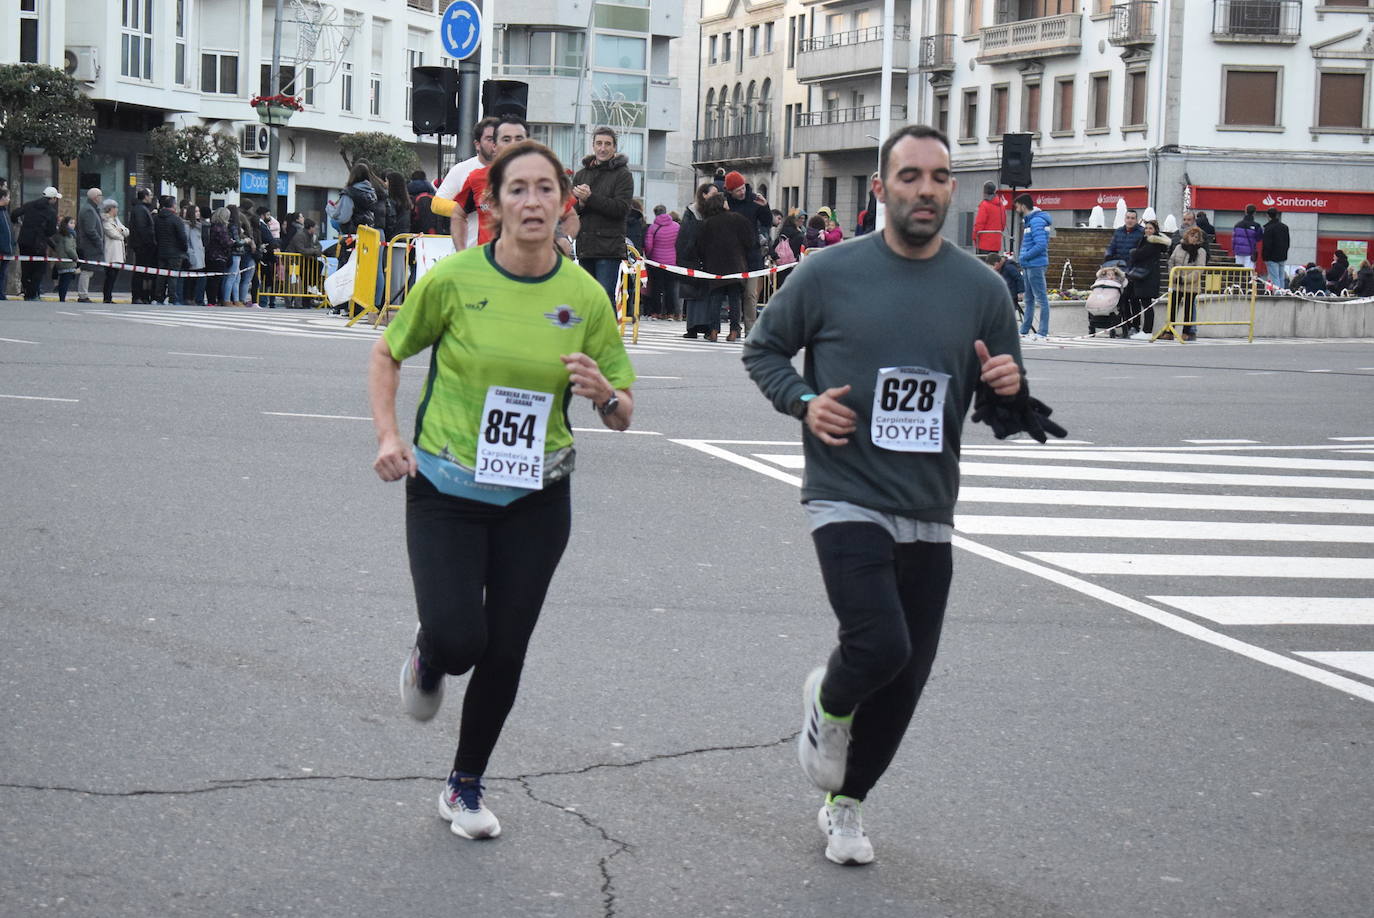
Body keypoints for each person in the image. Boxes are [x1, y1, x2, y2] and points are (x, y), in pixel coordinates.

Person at [742, 123, 1064, 867]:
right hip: (844, 491)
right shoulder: (827, 274)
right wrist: (803, 403)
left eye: (940, 177)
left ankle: (846, 806)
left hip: (930, 505)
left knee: (908, 675)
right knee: (878, 643)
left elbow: (1003, 403)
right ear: (881, 188)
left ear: (953, 190)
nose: (926, 190)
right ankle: (827, 701)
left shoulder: (983, 289)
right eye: (911, 176)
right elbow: (762, 350)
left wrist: (1009, 389)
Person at [368, 140, 636, 842]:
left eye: (546, 189)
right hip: (447, 488)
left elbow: (622, 410)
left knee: (507, 649)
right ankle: (430, 653)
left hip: (537, 498)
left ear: (565, 203)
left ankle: (464, 785)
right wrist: (389, 437)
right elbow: (387, 352)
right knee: (462, 639)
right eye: (517, 189)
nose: (533, 202)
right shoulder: (454, 280)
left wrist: (606, 395)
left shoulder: (584, 297)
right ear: (492, 205)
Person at [572, 126, 635, 305]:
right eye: (599, 143)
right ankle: (588, 333)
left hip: (609, 247)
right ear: (593, 146)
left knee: (604, 298)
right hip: (585, 245)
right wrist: (581, 203)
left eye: (607, 144)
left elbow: (621, 208)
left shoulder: (623, 175)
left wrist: (590, 198)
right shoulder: (582, 174)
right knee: (586, 299)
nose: (603, 148)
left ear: (614, 148)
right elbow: (570, 209)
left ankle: (607, 333)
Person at [451, 115, 531, 252]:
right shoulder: (476, 178)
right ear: (495, 146)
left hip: (527, 265)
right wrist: (461, 252)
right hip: (488, 264)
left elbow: (567, 215)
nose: (513, 144)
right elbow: (458, 215)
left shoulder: (545, 178)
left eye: (519, 139)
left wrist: (562, 241)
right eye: (506, 140)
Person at [690, 191, 755, 342]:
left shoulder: (707, 223)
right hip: (735, 264)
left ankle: (713, 330)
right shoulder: (738, 219)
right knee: (734, 299)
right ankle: (733, 330)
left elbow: (699, 246)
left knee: (715, 298)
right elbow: (750, 241)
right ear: (721, 204)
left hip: (714, 266)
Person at [433, 117, 499, 250]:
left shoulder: (511, 171)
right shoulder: (463, 169)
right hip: (468, 250)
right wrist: (469, 207)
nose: (494, 144)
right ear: (477, 144)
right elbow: (436, 203)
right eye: (489, 139)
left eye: (499, 138)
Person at [721, 171, 772, 337]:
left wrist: (765, 206)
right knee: (734, 292)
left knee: (750, 294)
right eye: (737, 190)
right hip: (733, 254)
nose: (742, 192)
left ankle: (750, 329)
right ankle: (735, 327)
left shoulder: (754, 199)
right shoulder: (726, 203)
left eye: (742, 188)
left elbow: (767, 222)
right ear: (730, 192)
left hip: (752, 254)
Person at [676, 182, 719, 339]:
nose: (716, 197)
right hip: (692, 256)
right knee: (693, 293)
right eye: (713, 194)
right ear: (704, 195)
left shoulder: (716, 213)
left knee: (708, 294)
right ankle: (693, 326)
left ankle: (708, 326)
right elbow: (685, 235)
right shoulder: (692, 211)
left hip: (709, 258)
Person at [1120, 218, 1170, 339]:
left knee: (1147, 304)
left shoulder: (1154, 242)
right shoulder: (1145, 240)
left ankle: (1147, 331)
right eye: (1146, 228)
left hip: (1148, 276)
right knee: (1133, 299)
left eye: (1150, 228)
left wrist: (1133, 252)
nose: (1147, 230)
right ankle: (1136, 327)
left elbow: (1140, 254)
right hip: (1141, 276)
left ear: (1155, 230)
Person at [1014, 193, 1052, 339]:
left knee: (1041, 298)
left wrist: (1024, 256)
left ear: (1023, 206)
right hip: (1029, 265)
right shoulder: (1030, 221)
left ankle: (1042, 331)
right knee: (1029, 299)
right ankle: (1024, 330)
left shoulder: (1036, 221)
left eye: (1017, 207)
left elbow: (1041, 245)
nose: (1017, 210)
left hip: (1035, 264)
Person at [16, 186, 60, 300]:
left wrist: (20, 223)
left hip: (24, 241)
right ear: (53, 199)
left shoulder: (30, 204)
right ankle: (31, 293)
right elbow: (51, 231)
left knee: (26, 267)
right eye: (56, 199)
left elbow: (15, 213)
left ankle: (26, 288)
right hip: (38, 243)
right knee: (39, 269)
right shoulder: (51, 211)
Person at [1165, 225, 1207, 342]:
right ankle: (1169, 330)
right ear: (1187, 236)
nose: (1194, 238)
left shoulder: (1200, 251)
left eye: (1196, 237)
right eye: (1192, 235)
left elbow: (1199, 269)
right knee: (1172, 307)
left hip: (1190, 285)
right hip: (1176, 283)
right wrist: (1173, 275)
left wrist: (1185, 279)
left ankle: (1186, 332)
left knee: (1188, 309)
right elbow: (1171, 262)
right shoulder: (1179, 247)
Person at [642, 204, 679, 319]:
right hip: (671, 261)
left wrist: (648, 256)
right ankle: (670, 313)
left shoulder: (653, 228)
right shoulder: (676, 226)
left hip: (656, 261)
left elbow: (648, 245)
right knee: (670, 287)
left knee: (656, 288)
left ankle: (656, 312)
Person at [152, 195, 189, 305]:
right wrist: (184, 249)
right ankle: (172, 298)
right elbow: (182, 237)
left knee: (161, 275)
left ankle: (159, 297)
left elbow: (154, 234)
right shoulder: (176, 219)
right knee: (172, 276)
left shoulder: (157, 219)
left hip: (161, 250)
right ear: (173, 205)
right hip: (175, 252)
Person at [128, 187, 156, 304]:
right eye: (149, 196)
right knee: (140, 271)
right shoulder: (140, 209)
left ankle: (144, 296)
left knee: (144, 272)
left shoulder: (142, 209)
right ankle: (137, 296)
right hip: (142, 246)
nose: (151, 198)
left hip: (142, 245)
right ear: (145, 196)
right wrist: (149, 242)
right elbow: (142, 228)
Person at [76, 188, 104, 303]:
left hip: (90, 245)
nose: (102, 198)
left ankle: (83, 293)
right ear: (95, 197)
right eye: (100, 196)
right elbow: (90, 230)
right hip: (89, 246)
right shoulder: (88, 210)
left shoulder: (92, 209)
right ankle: (83, 295)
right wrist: (99, 242)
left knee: (89, 271)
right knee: (87, 270)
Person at [100, 200, 129, 304]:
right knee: (110, 276)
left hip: (118, 253)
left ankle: (109, 295)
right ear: (111, 209)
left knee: (114, 276)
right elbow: (113, 234)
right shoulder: (106, 221)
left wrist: (121, 231)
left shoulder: (116, 220)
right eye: (116, 208)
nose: (117, 210)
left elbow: (126, 231)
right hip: (111, 253)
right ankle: (107, 297)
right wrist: (121, 232)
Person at [182, 204, 208, 306]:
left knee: (196, 278)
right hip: (193, 254)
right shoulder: (187, 226)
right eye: (196, 211)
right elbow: (186, 241)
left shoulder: (198, 225)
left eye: (199, 211)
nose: (198, 213)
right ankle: (188, 297)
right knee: (190, 279)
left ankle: (192, 297)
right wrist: (190, 253)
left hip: (199, 254)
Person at [972, 181, 1004, 258]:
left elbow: (979, 224)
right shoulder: (1001, 205)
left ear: (984, 192)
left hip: (984, 243)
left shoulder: (984, 205)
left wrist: (974, 237)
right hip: (996, 243)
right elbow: (1003, 224)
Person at [50, 216, 79, 302]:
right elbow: (69, 248)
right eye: (71, 223)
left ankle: (61, 297)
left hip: (61, 261)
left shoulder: (60, 234)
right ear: (66, 224)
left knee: (62, 280)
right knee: (65, 282)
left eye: (74, 223)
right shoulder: (69, 235)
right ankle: (62, 298)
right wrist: (75, 257)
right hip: (68, 261)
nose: (73, 225)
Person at [1261, 208, 1290, 291]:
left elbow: (1267, 244)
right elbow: (1287, 242)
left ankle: (1277, 292)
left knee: (1274, 277)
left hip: (1271, 257)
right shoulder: (1284, 227)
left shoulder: (1268, 228)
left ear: (1268, 216)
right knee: (1281, 276)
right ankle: (1282, 291)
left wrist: (1265, 256)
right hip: (1282, 255)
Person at [1231, 203, 1262, 270]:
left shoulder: (1237, 225)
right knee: (1249, 271)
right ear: (1254, 213)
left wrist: (1234, 249)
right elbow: (1259, 238)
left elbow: (1233, 239)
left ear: (1245, 211)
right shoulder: (1256, 225)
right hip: (1250, 252)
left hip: (1238, 251)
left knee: (1238, 272)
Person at [0, 188, 14, 300]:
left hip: (6, 249)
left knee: (3, 274)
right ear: (3, 197)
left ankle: (1, 293)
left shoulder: (5, 212)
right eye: (8, 197)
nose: (9, 199)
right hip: (2, 248)